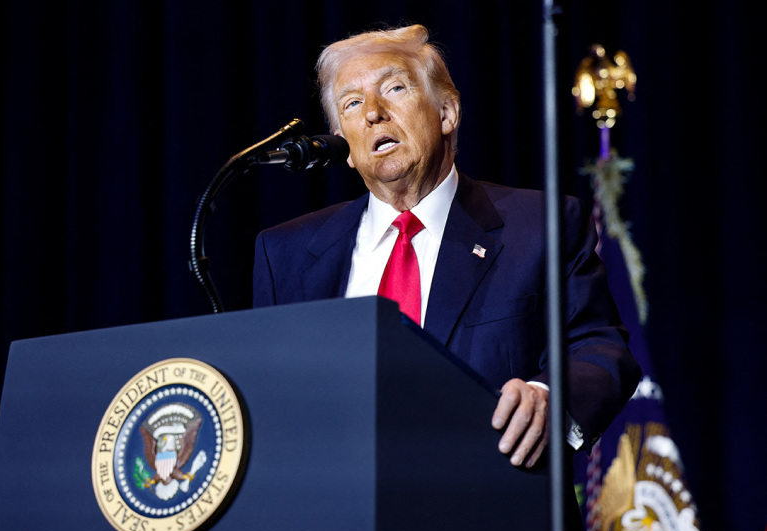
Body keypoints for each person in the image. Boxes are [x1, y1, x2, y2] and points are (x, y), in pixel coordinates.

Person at [253, 23, 638, 486]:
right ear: (346, 147)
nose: (373, 113)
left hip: (491, 520)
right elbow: (269, 400)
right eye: (352, 103)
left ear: (447, 112)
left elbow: (599, 346)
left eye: (394, 88)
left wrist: (549, 398)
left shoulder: (539, 226)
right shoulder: (288, 255)